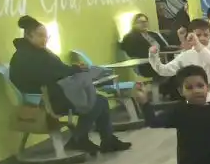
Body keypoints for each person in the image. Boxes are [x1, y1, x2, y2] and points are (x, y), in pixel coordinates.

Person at [9, 15, 131, 156]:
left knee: (100, 101)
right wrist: (74, 70)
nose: (45, 39)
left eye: (46, 36)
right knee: (97, 102)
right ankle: (80, 138)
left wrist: (73, 69)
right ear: (29, 36)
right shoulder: (25, 57)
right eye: (40, 36)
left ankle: (103, 140)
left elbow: (58, 71)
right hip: (46, 101)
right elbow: (51, 75)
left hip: (54, 95)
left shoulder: (35, 53)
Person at [149, 19, 210, 108]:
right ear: (191, 35)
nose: (202, 38)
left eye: (206, 35)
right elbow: (164, 70)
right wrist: (153, 56)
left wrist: (206, 54)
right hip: (195, 103)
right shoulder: (186, 55)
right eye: (198, 35)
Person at [119, 13, 169, 78]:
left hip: (161, 61)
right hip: (145, 65)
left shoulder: (153, 34)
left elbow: (164, 47)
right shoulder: (130, 37)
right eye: (140, 22)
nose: (144, 24)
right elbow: (133, 53)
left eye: (145, 22)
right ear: (134, 24)